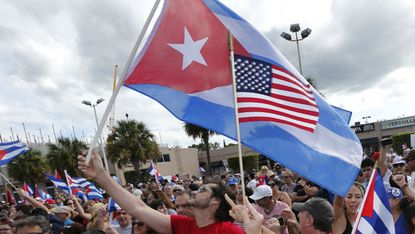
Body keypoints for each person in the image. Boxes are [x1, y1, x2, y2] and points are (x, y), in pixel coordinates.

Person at [78, 150, 244, 233]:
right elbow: (138, 209)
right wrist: (101, 176)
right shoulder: (183, 225)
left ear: (215, 202)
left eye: (203, 189)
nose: (195, 191)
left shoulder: (228, 230)